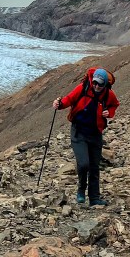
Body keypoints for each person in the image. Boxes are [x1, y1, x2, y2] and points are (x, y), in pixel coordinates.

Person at [52, 67, 119, 206]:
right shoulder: (83, 88)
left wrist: (109, 113)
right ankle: (81, 190)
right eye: (95, 83)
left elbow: (114, 105)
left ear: (105, 84)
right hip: (79, 132)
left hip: (95, 134)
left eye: (100, 84)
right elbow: (69, 99)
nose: (96, 86)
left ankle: (94, 198)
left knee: (94, 167)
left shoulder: (108, 94)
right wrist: (59, 104)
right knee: (83, 164)